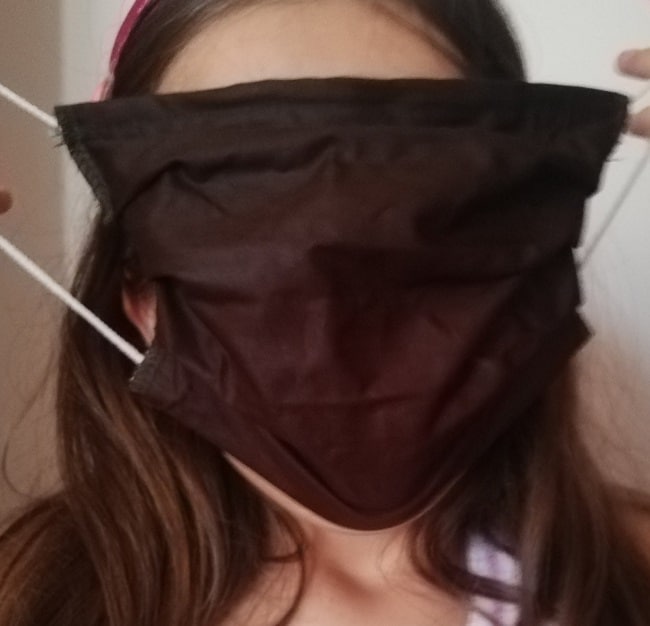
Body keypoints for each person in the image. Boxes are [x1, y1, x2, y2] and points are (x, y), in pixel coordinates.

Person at [0, 2, 650, 626]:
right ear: (140, 295)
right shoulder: (29, 595)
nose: (340, 320)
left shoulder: (633, 571)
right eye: (254, 224)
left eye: (414, 211)